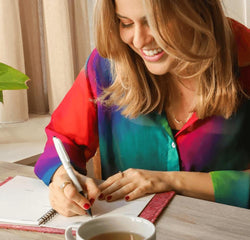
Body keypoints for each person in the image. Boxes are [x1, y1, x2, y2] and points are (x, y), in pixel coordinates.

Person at [34, 0, 250, 216]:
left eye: (156, 23)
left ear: (198, 11)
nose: (139, 40)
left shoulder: (245, 57)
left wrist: (171, 181)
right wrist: (62, 179)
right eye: (125, 23)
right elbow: (63, 140)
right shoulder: (107, 64)